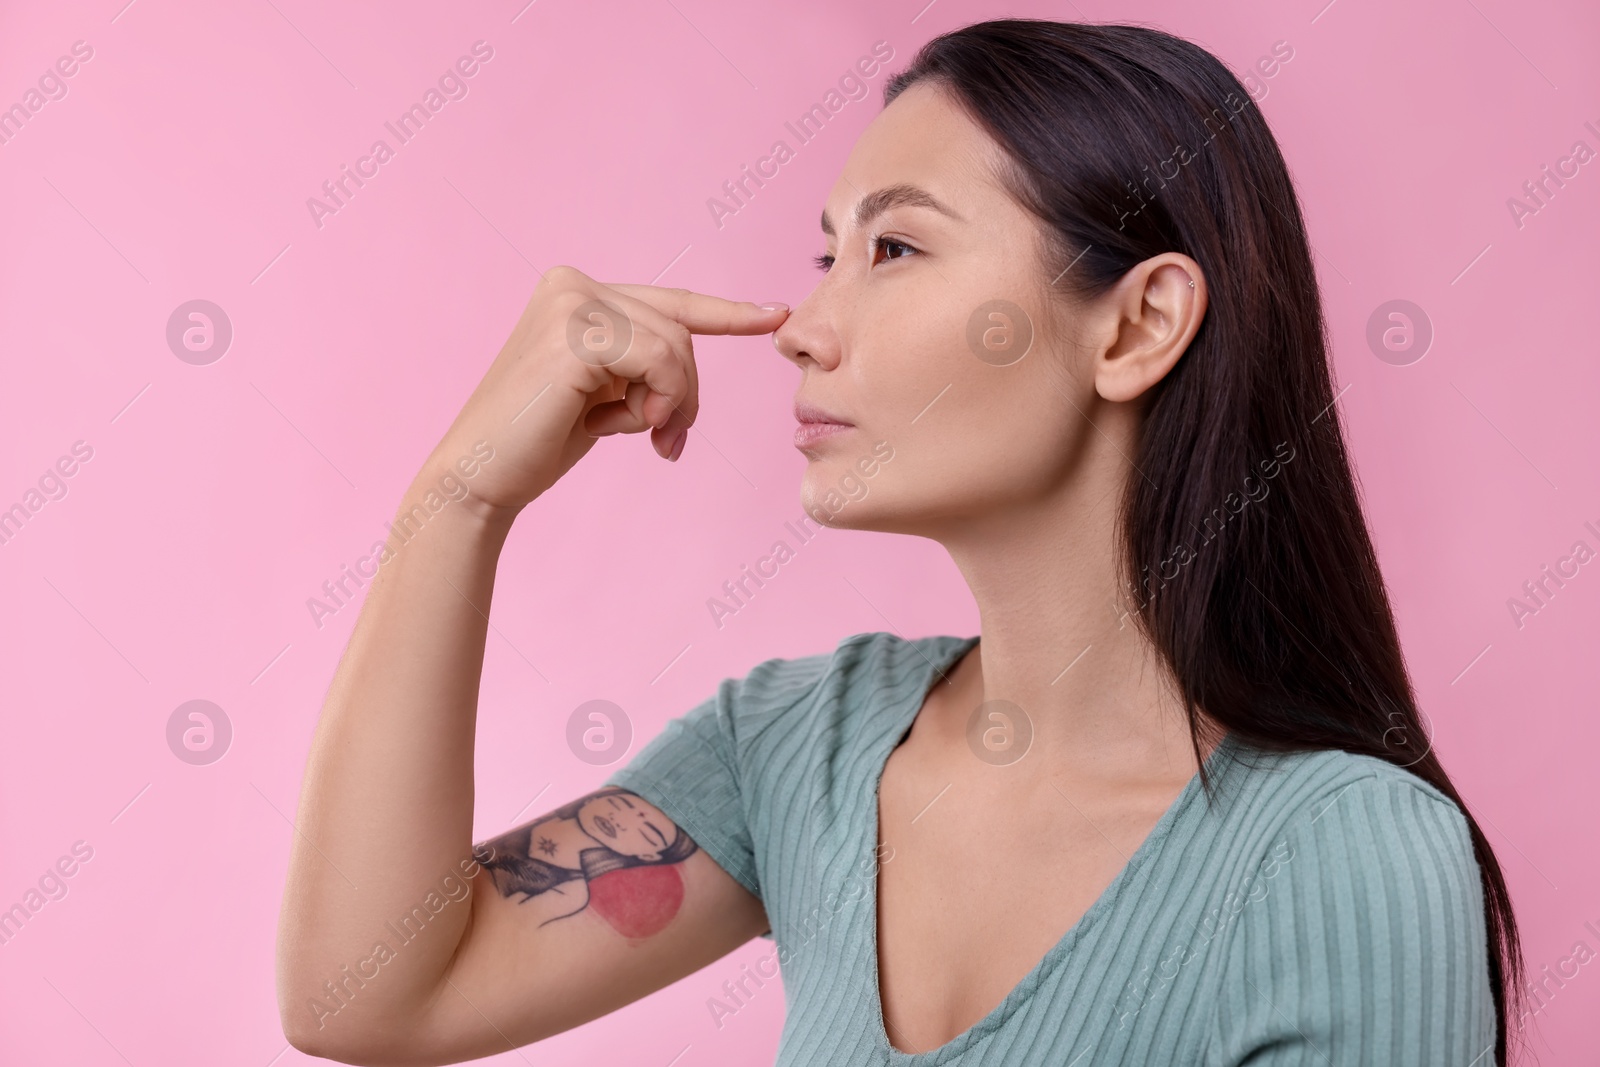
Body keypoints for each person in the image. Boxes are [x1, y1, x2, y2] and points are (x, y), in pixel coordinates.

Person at [276, 17, 1525, 1066]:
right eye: (827, 254)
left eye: (895, 247)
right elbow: (367, 991)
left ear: (1138, 324)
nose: (806, 327)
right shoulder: (794, 751)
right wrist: (458, 501)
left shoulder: (1342, 860)